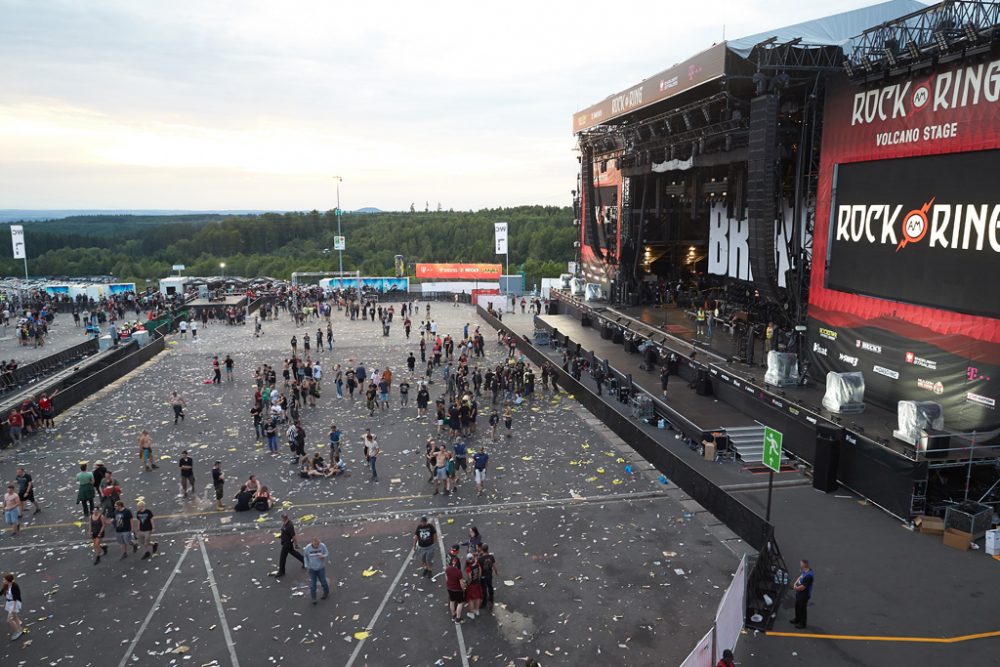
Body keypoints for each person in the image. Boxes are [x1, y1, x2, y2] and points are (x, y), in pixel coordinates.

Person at [303, 537, 330, 604]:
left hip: (321, 568)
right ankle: (313, 598)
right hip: (312, 569)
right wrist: (306, 565)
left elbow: (327, 553)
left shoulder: (322, 546)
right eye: (316, 545)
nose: (317, 546)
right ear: (312, 543)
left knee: (323, 581)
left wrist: (323, 556)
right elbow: (305, 556)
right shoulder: (308, 548)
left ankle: (326, 591)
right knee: (313, 584)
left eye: (318, 544)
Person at [790, 559, 814, 629]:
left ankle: (802, 623)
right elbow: (800, 577)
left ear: (804, 565)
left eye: (801, 563)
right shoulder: (805, 571)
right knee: (797, 606)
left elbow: (803, 587)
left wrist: (794, 588)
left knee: (802, 609)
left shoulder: (809, 576)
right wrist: (795, 584)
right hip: (799, 593)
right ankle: (797, 618)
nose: (800, 564)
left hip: (804, 595)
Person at [2, 573, 24, 641]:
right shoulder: (6, 585)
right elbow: (1, 592)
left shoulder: (14, 586)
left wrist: (14, 608)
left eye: (4, 580)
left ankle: (18, 631)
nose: (3, 581)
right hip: (9, 603)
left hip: (14, 603)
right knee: (15, 616)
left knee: (9, 620)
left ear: (8, 580)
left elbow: (15, 597)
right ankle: (20, 628)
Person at [445, 555, 466, 623]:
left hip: (450, 588)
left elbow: (447, 578)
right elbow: (461, 583)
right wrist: (463, 589)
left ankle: (453, 615)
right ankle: (458, 618)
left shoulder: (447, 569)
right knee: (460, 603)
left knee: (452, 601)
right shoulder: (458, 572)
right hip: (457, 589)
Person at [477, 544, 498, 609]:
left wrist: (479, 577)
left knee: (484, 589)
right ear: (487, 549)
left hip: (483, 576)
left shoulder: (480, 559)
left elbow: (480, 569)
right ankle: (491, 599)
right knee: (490, 586)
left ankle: (484, 603)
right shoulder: (491, 557)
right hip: (489, 574)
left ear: (482, 550)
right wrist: (496, 572)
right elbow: (494, 565)